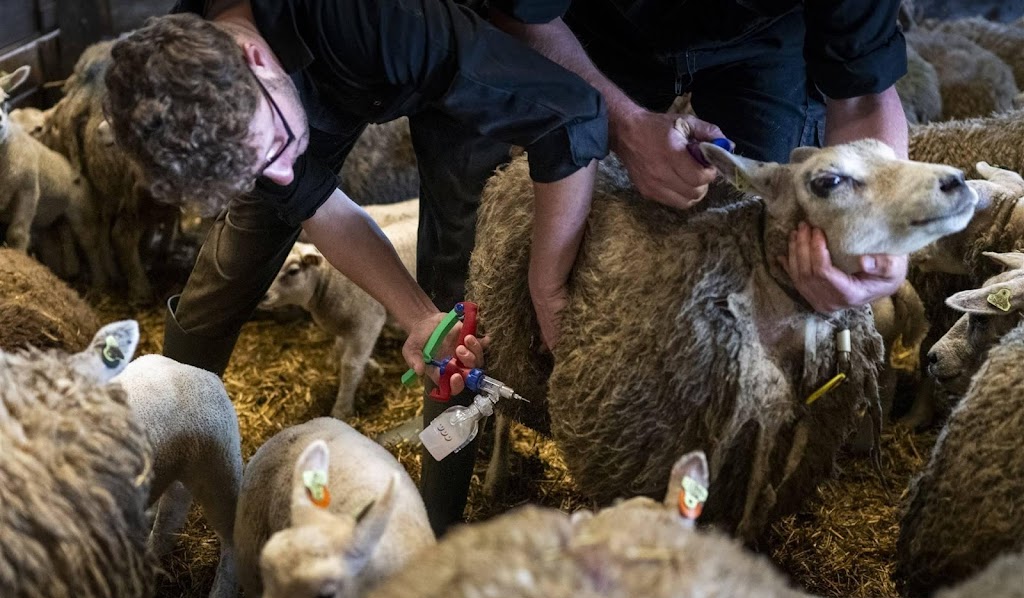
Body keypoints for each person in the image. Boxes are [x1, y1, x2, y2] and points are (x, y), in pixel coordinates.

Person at [103, 0, 613, 536]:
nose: (284, 169)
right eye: (258, 162)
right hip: (309, 70)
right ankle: (168, 448)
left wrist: (547, 283)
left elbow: (572, 112)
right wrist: (417, 316)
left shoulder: (379, 22)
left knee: (457, 263)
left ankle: (434, 525)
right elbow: (310, 198)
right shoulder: (189, 76)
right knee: (239, 250)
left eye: (274, 147)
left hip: (432, 42)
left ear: (255, 58)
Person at [488, 0, 911, 314]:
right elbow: (517, 14)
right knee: (488, 217)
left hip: (762, 34)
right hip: (586, 24)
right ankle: (458, 403)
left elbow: (861, 96)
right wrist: (625, 124)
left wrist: (882, 237)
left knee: (760, 241)